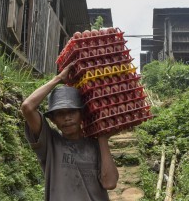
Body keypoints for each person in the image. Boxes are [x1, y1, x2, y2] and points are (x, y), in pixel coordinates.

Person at [20, 63, 119, 201]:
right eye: (60, 114)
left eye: (72, 111)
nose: (67, 118)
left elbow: (110, 183)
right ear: (53, 120)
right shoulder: (50, 144)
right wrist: (59, 78)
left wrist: (103, 139)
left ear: (82, 114)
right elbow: (27, 107)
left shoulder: (96, 145)